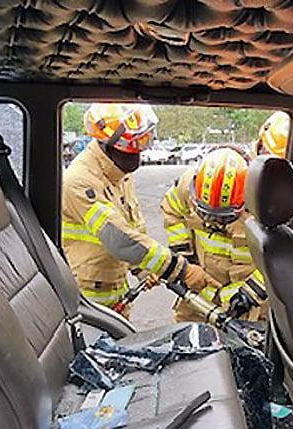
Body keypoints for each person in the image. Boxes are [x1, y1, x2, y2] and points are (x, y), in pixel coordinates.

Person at [61, 103, 218, 317]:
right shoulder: (80, 181)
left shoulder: (119, 174)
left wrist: (144, 269)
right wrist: (181, 270)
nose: (141, 151)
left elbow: (133, 228)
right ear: (113, 142)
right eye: (137, 143)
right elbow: (119, 239)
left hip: (115, 290)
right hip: (88, 298)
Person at [161, 147, 267, 322]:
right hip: (198, 297)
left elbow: (280, 259)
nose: (214, 222)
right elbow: (172, 210)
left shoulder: (265, 204)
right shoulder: (186, 186)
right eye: (207, 214)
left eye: (223, 217)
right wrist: (184, 256)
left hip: (248, 305)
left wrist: (252, 292)